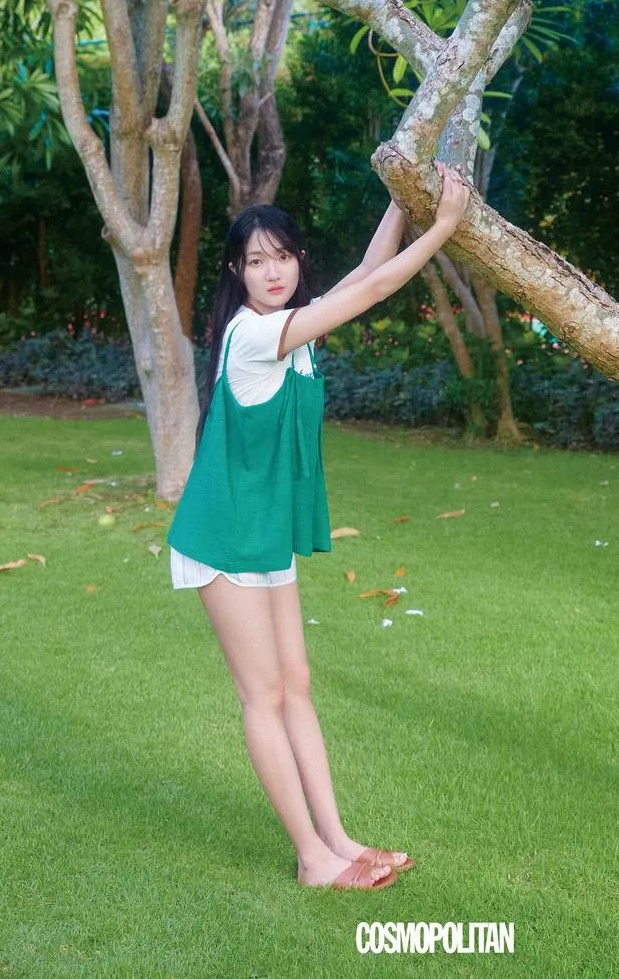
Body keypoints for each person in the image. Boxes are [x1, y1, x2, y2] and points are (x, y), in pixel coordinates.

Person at [166, 162, 471, 891]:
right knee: (264, 696)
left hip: (263, 532)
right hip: (223, 536)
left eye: (282, 256)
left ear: (299, 260)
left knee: (297, 685)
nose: (271, 271)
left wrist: (399, 199)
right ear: (237, 273)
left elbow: (365, 271)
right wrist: (443, 226)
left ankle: (338, 839)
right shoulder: (254, 335)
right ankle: (311, 858)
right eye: (255, 261)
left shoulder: (294, 329)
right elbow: (377, 288)